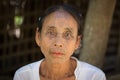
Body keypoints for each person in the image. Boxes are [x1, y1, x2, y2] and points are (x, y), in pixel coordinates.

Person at [13, 4, 106, 80]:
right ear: (38, 37)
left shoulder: (94, 77)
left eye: (67, 35)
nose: (58, 43)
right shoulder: (23, 76)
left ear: (77, 42)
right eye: (51, 32)